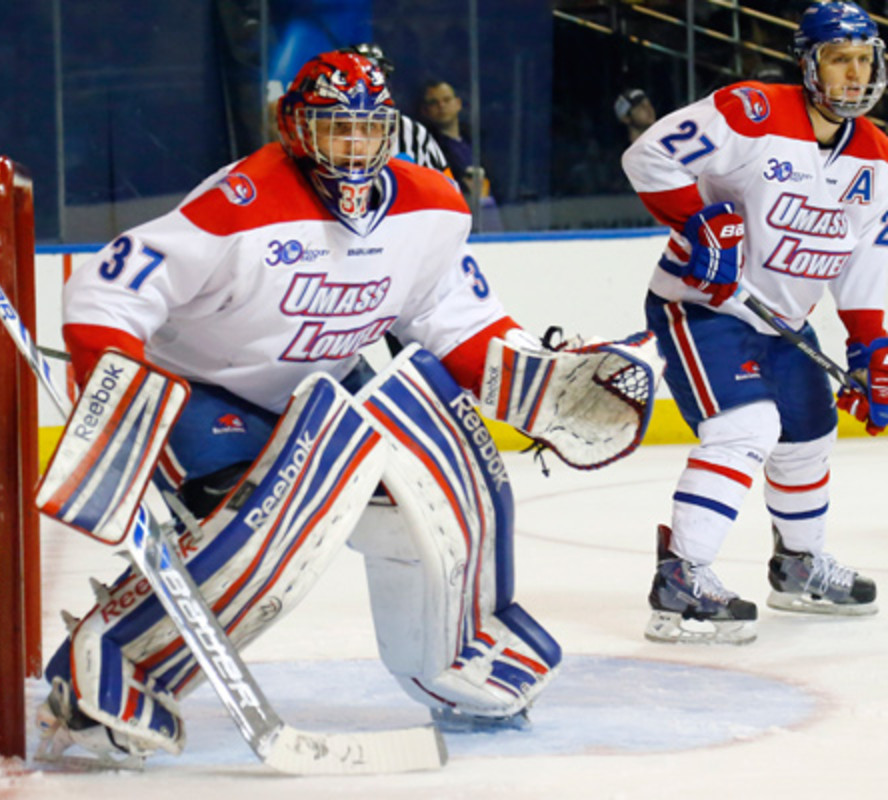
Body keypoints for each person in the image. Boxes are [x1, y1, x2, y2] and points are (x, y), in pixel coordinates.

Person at [34, 49, 659, 764]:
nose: (355, 148)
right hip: (208, 391)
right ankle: (104, 674)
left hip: (318, 389)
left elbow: (456, 320)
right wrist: (115, 386)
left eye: (368, 130)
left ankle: (459, 655)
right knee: (255, 524)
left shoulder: (431, 206)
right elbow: (105, 292)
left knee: (434, 487)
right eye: (336, 130)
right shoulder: (242, 201)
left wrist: (536, 379)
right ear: (295, 128)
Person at [621, 0, 883, 646]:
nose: (854, 75)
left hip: (784, 319)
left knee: (809, 433)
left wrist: (870, 347)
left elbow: (860, 263)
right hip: (702, 304)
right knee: (748, 427)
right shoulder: (751, 111)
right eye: (838, 59)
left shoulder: (877, 155)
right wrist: (699, 219)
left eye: (863, 59)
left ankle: (797, 565)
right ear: (807, 64)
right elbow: (648, 157)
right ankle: (682, 577)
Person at [339, 43, 449, 172]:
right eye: (358, 78)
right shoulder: (324, 127)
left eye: (376, 78)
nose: (367, 87)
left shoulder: (413, 133)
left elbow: (447, 187)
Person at [419, 79, 500, 230]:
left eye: (446, 100)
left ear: (458, 103)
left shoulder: (477, 141)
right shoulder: (426, 149)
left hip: (491, 217)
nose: (441, 106)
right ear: (425, 111)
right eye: (433, 102)